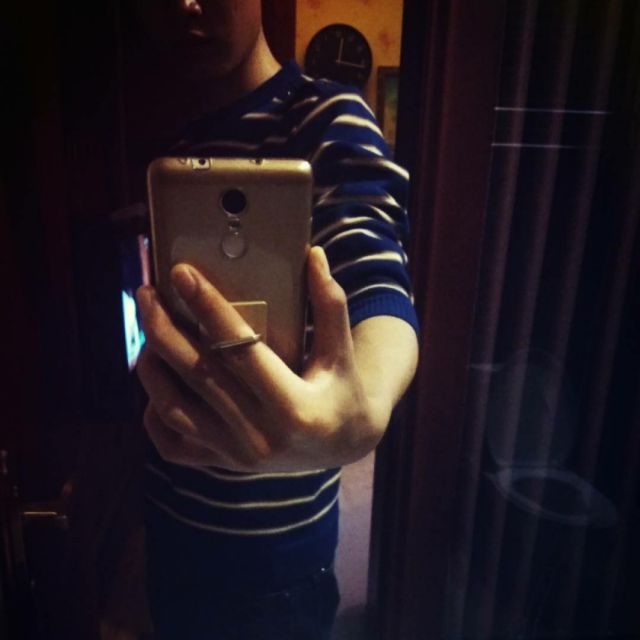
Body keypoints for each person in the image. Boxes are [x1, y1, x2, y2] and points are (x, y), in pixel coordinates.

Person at [130, 1, 419, 638]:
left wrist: (363, 408)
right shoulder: (172, 148)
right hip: (170, 530)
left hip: (274, 568)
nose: (185, 4)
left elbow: (374, 271)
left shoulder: (327, 116)